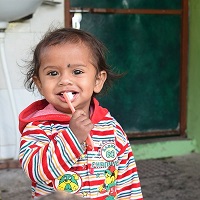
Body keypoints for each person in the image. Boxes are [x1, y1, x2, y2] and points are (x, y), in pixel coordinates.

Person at [19, 27, 143, 200]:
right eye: (53, 73)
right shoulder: (38, 127)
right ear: (40, 84)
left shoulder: (111, 128)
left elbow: (127, 180)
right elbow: (36, 172)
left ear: (98, 81)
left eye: (77, 72)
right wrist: (72, 138)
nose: (64, 80)